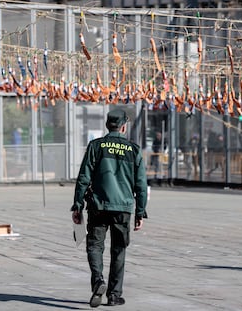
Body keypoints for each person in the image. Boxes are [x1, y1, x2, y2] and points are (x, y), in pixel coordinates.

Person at [71, 109, 148, 308]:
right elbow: (140, 184)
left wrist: (78, 205)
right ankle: (114, 295)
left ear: (108, 125)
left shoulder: (96, 146)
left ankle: (98, 280)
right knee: (119, 250)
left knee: (94, 246)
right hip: (123, 208)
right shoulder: (134, 150)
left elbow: (83, 179)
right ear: (123, 126)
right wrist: (140, 211)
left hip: (98, 206)